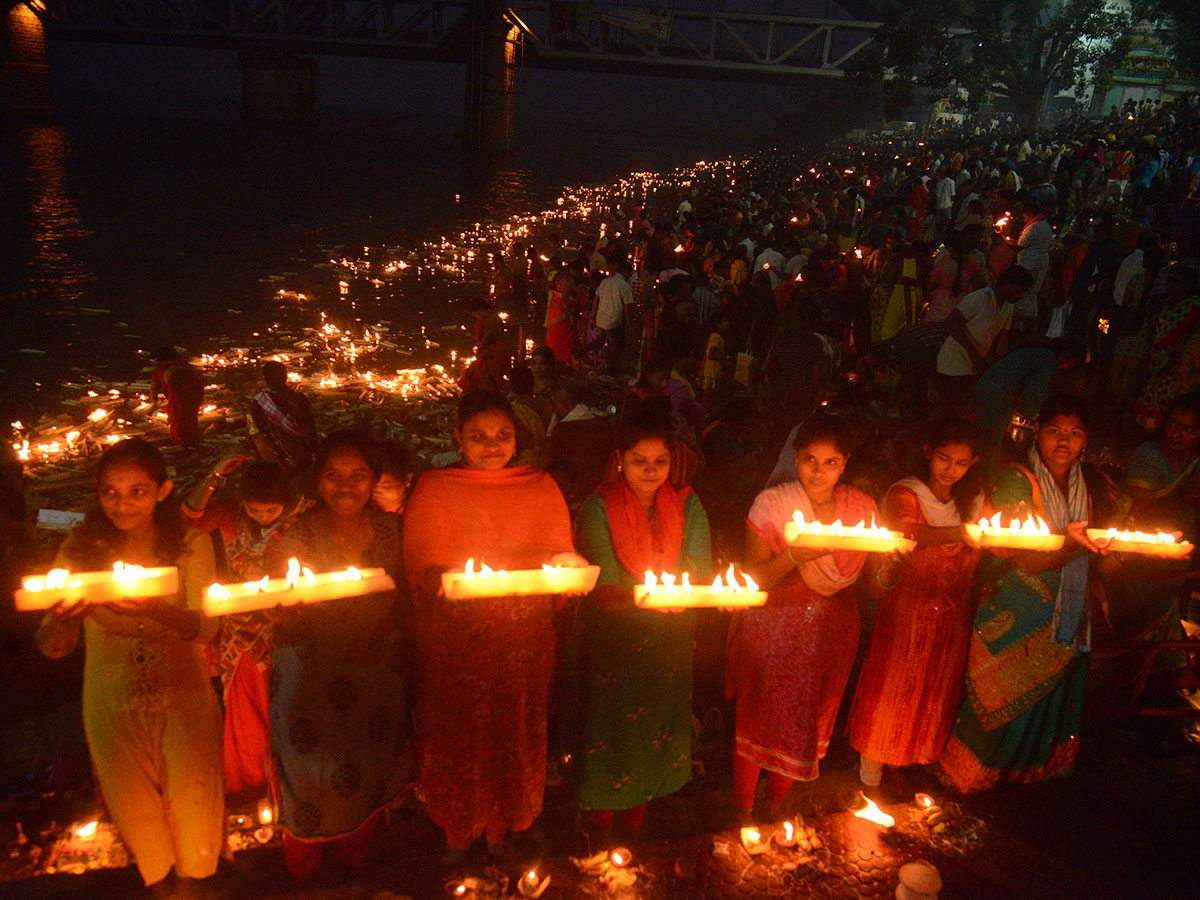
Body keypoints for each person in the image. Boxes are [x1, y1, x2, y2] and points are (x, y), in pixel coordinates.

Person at [403, 391, 587, 863]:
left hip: (522, 638)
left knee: (517, 728)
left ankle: (511, 823)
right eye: (479, 436)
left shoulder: (538, 485)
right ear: (458, 439)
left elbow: (556, 550)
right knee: (456, 732)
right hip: (455, 639)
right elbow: (420, 564)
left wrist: (569, 564)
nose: (492, 445)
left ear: (517, 437)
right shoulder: (436, 487)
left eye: (502, 435)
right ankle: (458, 831)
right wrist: (434, 578)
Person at [36, 439, 223, 896]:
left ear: (163, 490)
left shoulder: (191, 545)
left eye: (137, 491)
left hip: (184, 695)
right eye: (110, 492)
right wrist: (64, 620)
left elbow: (207, 629)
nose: (123, 504)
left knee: (196, 803)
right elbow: (51, 646)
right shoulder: (79, 552)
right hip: (111, 698)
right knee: (135, 810)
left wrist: (158, 610)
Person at [940, 395, 1111, 793]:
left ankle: (1030, 769)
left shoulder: (1094, 485)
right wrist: (1071, 546)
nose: (1063, 442)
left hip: (1068, 602)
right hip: (1017, 600)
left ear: (1085, 441)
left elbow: (1100, 540)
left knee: (1053, 694)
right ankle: (976, 769)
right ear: (1038, 432)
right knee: (1003, 691)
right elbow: (1021, 552)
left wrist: (1096, 576)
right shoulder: (1017, 478)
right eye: (1054, 431)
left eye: (1074, 434)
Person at [268, 431, 415, 877]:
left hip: (374, 669)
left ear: (374, 480)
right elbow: (277, 605)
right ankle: (306, 864)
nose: (345, 486)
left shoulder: (393, 530)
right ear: (316, 481)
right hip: (310, 675)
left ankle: (356, 857)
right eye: (333, 475)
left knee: (365, 764)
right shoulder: (295, 537)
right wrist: (286, 609)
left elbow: (406, 595)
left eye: (358, 475)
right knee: (310, 771)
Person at [562, 409, 713, 844]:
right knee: (608, 738)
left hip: (669, 644)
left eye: (659, 462)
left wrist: (673, 596)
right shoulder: (599, 504)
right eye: (638, 461)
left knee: (654, 734)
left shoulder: (688, 503)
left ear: (672, 461)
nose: (650, 471)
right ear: (619, 460)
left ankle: (633, 832)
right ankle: (598, 832)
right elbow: (604, 581)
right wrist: (650, 599)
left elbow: (697, 566)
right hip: (613, 645)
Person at [727, 412, 878, 818]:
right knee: (760, 720)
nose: (819, 471)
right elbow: (754, 578)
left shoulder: (860, 508)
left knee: (808, 721)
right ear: (795, 457)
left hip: (832, 630)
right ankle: (742, 811)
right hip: (776, 628)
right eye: (810, 459)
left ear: (845, 462)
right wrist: (794, 556)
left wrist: (897, 557)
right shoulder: (773, 503)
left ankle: (776, 804)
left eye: (831, 462)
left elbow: (877, 580)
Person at [849, 418, 984, 787]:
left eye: (960, 463)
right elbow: (909, 532)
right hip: (907, 612)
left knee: (933, 692)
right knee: (893, 690)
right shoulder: (905, 494)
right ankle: (870, 774)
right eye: (943, 458)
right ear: (928, 453)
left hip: (951, 616)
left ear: (973, 463)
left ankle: (908, 766)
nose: (950, 470)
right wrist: (961, 533)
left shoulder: (972, 503)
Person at [183, 455, 307, 801]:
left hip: (287, 629)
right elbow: (188, 518)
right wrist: (215, 472)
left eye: (271, 511)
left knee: (287, 710)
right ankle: (251, 790)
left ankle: (289, 792)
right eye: (256, 511)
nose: (264, 517)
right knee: (246, 716)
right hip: (240, 633)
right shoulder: (229, 516)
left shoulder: (302, 518)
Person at [1134, 265, 1200, 430]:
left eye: (1175, 282)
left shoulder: (1193, 307)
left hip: (1176, 363)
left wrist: (1178, 357)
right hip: (1158, 358)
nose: (1169, 286)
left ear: (1186, 286)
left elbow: (1193, 337)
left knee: (1168, 400)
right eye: (1169, 281)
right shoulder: (1167, 304)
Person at [247, 360, 317, 481]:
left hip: (276, 463)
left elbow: (255, 436)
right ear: (285, 377)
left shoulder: (259, 403)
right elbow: (312, 431)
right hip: (304, 459)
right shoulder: (301, 399)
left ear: (265, 379)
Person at [151, 347, 205, 447]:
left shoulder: (159, 370)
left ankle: (182, 443)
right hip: (196, 391)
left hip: (179, 393)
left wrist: (156, 402)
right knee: (191, 414)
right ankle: (193, 438)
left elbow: (153, 393)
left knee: (178, 418)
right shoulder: (185, 366)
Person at [372, 440, 421, 515]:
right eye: (372, 486)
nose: (377, 491)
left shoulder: (416, 513)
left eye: (387, 487)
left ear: (407, 480)